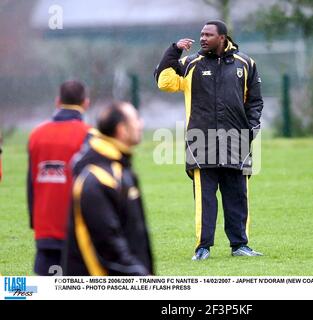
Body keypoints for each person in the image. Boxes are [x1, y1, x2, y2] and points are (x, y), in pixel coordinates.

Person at [155, 20, 264, 260]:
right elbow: (162, 81)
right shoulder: (190, 63)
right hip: (200, 142)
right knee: (205, 199)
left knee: (237, 196)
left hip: (237, 141)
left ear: (223, 38)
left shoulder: (245, 63)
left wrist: (251, 129)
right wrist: (174, 50)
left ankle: (240, 245)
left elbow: (254, 101)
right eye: (201, 34)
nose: (203, 38)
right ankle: (203, 247)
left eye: (208, 35)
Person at [62, 101, 153, 276]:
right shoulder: (98, 179)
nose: (141, 124)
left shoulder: (120, 169)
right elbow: (108, 247)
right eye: (136, 120)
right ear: (122, 130)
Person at [27, 80, 90, 275]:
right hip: (76, 230)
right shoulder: (89, 136)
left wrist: (35, 221)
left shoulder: (36, 135)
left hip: (45, 229)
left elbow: (31, 184)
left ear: (57, 101)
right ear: (85, 103)